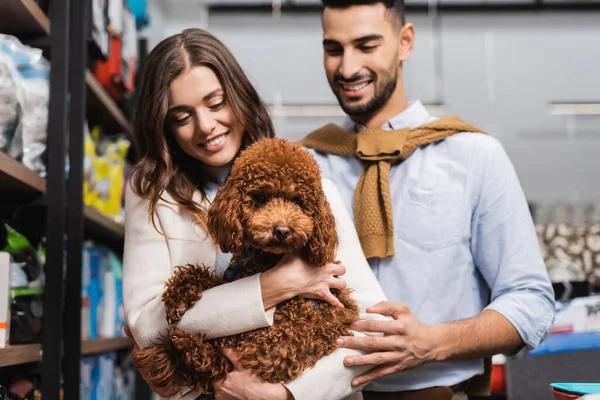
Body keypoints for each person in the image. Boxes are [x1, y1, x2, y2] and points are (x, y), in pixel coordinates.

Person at [294, 1, 556, 399]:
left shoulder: (475, 156)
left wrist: (431, 342)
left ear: (405, 42)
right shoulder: (307, 164)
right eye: (334, 49)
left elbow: (531, 302)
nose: (347, 68)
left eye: (367, 45)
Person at [122, 28, 388, 400]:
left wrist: (286, 394)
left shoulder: (312, 189)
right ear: (164, 127)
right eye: (182, 117)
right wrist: (276, 286)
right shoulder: (151, 197)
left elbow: (373, 326)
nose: (206, 126)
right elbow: (148, 326)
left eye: (215, 104)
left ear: (239, 96)